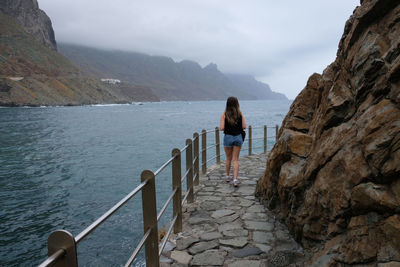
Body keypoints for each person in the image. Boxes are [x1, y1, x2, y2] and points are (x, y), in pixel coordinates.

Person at [219, 96, 246, 187]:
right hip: (238, 137)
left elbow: (221, 128)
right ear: (237, 104)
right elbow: (244, 126)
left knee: (228, 159)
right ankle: (235, 180)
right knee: (235, 160)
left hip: (228, 137)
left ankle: (227, 176)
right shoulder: (240, 114)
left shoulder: (224, 114)